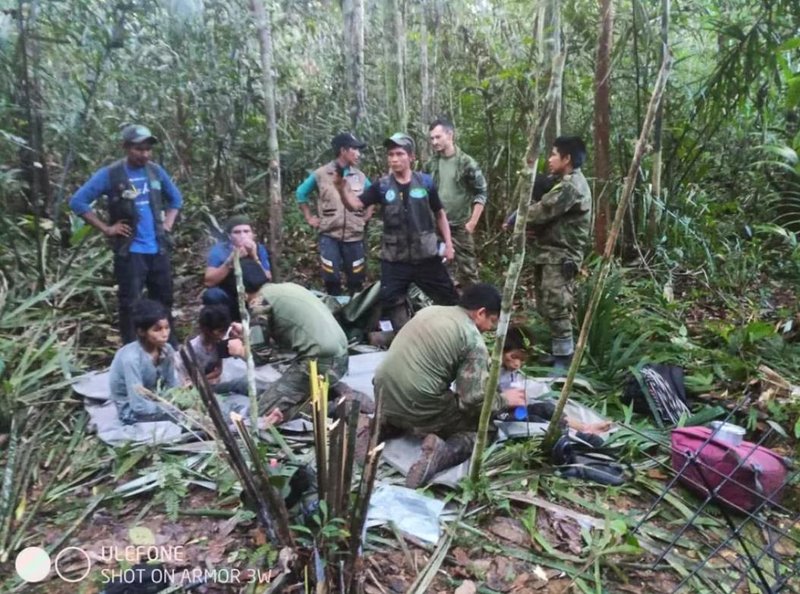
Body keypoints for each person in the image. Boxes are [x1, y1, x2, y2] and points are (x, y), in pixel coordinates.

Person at [373, 283, 526, 488]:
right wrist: (504, 399)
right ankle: (441, 454)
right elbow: (472, 401)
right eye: (491, 321)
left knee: (421, 396)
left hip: (382, 392)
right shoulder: (472, 339)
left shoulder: (430, 311)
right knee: (484, 430)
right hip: (418, 403)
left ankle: (382, 425)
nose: (489, 329)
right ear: (480, 312)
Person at [70, 124, 183, 344]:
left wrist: (167, 224)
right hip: (130, 251)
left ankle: (169, 347)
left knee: (164, 300)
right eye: (139, 149)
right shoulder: (111, 174)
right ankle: (132, 349)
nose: (145, 154)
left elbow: (176, 199)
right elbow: (78, 201)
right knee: (130, 303)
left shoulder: (155, 171)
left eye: (148, 149)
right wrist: (106, 228)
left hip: (158, 248)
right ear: (126, 147)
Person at [336, 132, 458, 331]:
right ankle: (405, 336)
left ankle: (453, 335)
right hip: (395, 258)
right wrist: (341, 188)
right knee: (391, 299)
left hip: (426, 255)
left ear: (411, 157)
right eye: (391, 154)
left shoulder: (425, 182)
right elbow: (356, 205)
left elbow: (439, 214)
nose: (394, 159)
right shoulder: (382, 186)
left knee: (449, 298)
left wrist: (449, 245)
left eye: (399, 154)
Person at [248, 282, 357, 420]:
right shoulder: (286, 287)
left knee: (262, 413)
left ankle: (334, 407)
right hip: (340, 357)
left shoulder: (259, 301)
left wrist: (242, 349)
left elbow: (259, 355)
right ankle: (332, 392)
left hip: (319, 362)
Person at [527, 136, 592, 369]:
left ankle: (565, 360)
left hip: (561, 256)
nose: (550, 159)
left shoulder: (571, 186)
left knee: (557, 304)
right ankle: (558, 352)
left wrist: (519, 217)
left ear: (567, 159)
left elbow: (541, 211)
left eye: (554, 154)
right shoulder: (562, 182)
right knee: (547, 303)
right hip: (550, 253)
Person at [296, 132, 373, 295]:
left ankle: (355, 313)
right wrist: (309, 217)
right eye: (355, 150)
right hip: (330, 235)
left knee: (357, 278)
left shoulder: (360, 176)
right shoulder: (321, 174)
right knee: (331, 278)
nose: (358, 154)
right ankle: (333, 312)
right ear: (343, 150)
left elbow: (372, 195)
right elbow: (301, 194)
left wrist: (367, 215)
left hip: (354, 236)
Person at [425, 117, 488, 288]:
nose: (434, 142)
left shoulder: (466, 163)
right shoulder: (431, 164)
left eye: (438, 137)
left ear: (450, 135)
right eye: (432, 138)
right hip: (437, 227)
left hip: (460, 226)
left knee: (468, 271)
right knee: (439, 271)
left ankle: (475, 309)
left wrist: (472, 223)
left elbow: (481, 192)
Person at [108, 299, 180, 425]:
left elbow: (172, 385)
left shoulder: (167, 349)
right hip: (133, 411)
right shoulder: (132, 359)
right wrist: (170, 408)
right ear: (141, 332)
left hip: (159, 400)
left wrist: (178, 400)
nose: (165, 334)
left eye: (167, 328)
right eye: (157, 330)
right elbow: (138, 405)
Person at [203, 215, 271, 320]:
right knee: (212, 295)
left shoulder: (259, 248)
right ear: (230, 236)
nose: (242, 235)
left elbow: (268, 278)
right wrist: (230, 261)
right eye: (237, 232)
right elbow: (209, 281)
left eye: (246, 231)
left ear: (252, 235)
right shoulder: (220, 250)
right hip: (229, 295)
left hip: (254, 296)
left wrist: (254, 256)